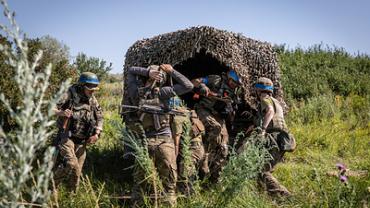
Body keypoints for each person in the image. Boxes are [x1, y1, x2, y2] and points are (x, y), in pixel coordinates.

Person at [122, 64, 193, 206]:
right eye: (155, 75)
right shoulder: (136, 92)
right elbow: (130, 70)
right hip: (144, 139)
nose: (157, 78)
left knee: (169, 185)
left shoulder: (164, 92)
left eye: (160, 76)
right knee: (140, 183)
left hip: (164, 140)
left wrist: (172, 71)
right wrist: (148, 72)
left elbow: (188, 86)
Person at [53, 72, 103, 191]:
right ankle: (51, 187)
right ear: (82, 85)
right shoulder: (69, 93)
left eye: (95, 88)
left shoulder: (92, 99)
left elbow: (100, 117)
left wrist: (97, 134)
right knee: (71, 164)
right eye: (90, 88)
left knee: (77, 173)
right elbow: (51, 108)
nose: (93, 91)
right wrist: (61, 112)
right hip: (67, 137)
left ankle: (71, 197)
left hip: (82, 140)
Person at [191, 70, 242, 183]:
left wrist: (230, 110)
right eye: (233, 82)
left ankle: (215, 179)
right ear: (228, 78)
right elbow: (194, 82)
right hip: (204, 110)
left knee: (224, 146)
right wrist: (201, 86)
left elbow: (233, 112)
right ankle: (204, 158)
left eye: (236, 84)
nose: (234, 85)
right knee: (215, 128)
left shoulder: (235, 93)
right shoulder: (216, 79)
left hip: (219, 117)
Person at [253, 77, 296, 196]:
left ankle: (284, 195)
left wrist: (262, 129)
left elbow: (270, 111)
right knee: (265, 168)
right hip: (283, 139)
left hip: (274, 139)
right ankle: (263, 195)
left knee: (261, 171)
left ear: (259, 90)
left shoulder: (264, 98)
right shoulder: (276, 101)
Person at [169, 96, 206, 196]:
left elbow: (176, 142)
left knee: (185, 177)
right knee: (194, 175)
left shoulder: (177, 117)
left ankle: (189, 199)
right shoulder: (189, 112)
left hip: (191, 149)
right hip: (200, 148)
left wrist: (173, 159)